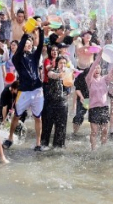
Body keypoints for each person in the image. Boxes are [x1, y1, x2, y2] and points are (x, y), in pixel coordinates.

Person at [4, 18, 47, 151]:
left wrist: (40, 29)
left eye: (30, 43)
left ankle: (38, 143)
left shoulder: (34, 56)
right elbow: (20, 48)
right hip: (24, 91)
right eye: (26, 43)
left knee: (38, 117)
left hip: (37, 90)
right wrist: (25, 34)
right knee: (17, 115)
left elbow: (40, 45)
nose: (28, 44)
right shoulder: (16, 58)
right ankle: (10, 138)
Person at [85, 51, 113, 150]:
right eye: (95, 68)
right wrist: (99, 57)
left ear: (101, 70)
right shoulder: (89, 80)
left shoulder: (105, 79)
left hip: (104, 108)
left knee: (104, 131)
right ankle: (93, 150)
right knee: (94, 131)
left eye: (98, 67)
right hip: (94, 108)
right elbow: (92, 68)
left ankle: (103, 148)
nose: (96, 69)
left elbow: (112, 72)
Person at [42, 56, 70, 149]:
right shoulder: (51, 72)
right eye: (61, 63)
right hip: (50, 103)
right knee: (47, 126)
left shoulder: (68, 73)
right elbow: (53, 75)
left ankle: (58, 147)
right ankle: (43, 145)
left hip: (62, 104)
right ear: (57, 64)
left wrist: (71, 75)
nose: (63, 65)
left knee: (61, 127)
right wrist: (60, 74)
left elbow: (70, 84)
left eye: (64, 63)